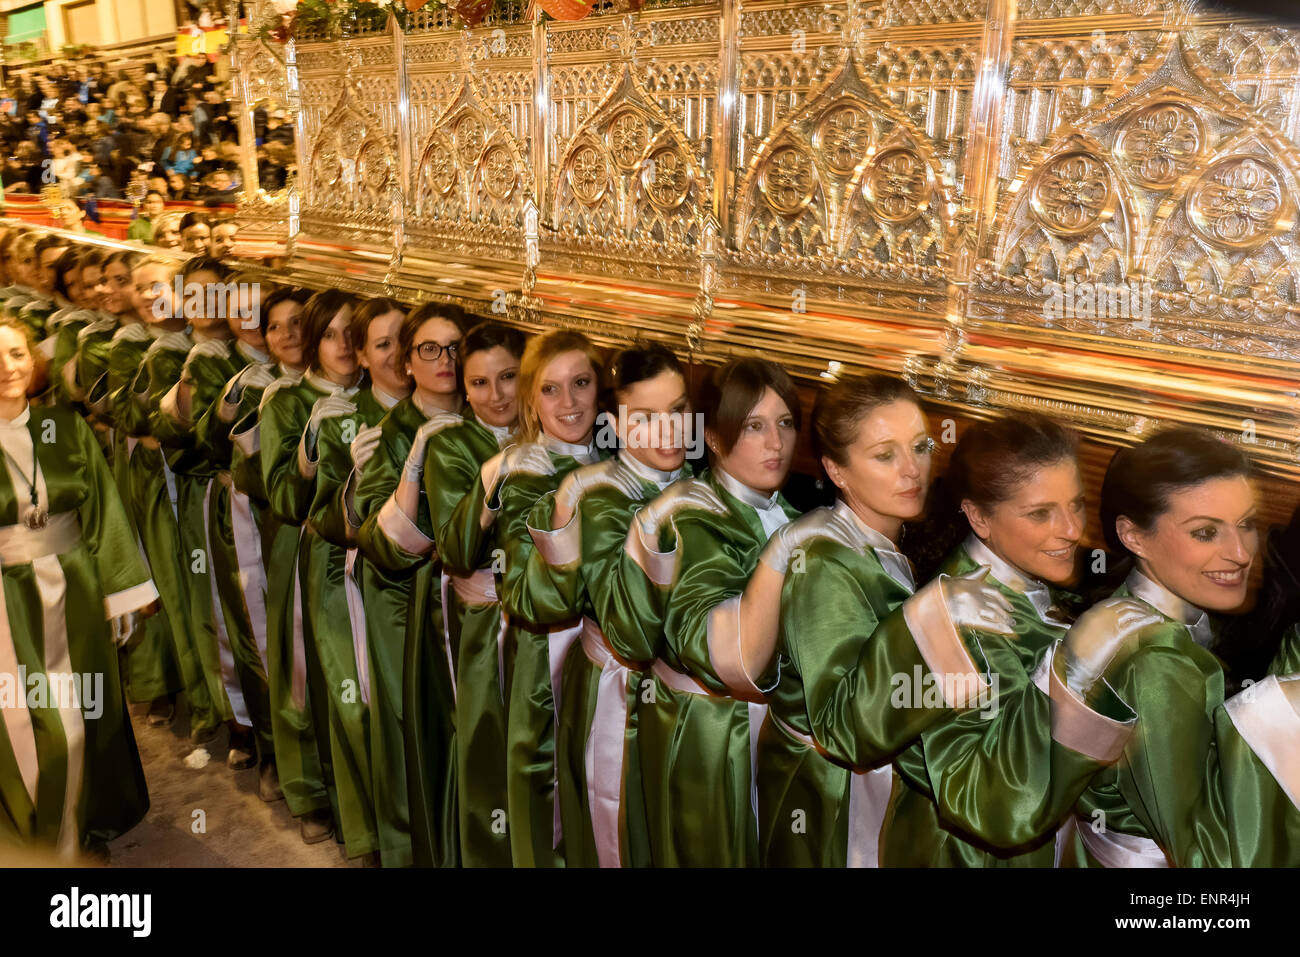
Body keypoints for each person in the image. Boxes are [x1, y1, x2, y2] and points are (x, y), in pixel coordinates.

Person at [875, 412, 1133, 866]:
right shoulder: (965, 627)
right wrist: (1080, 661)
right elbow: (995, 804)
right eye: (1041, 513)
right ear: (978, 516)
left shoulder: (1016, 576)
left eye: (1075, 504)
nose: (1072, 530)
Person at [1060, 428, 1300, 867]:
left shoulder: (1130, 617)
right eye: (1206, 532)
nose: (1241, 553)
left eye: (1245, 525)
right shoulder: (1157, 663)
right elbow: (1208, 855)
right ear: (1134, 536)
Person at [621, 357, 801, 867]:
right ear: (716, 440)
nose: (775, 443)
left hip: (766, 728)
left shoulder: (788, 513)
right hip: (711, 728)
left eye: (785, 423)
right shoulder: (691, 516)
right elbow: (724, 654)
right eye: (753, 426)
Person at [524, 343, 690, 867]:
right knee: (616, 829)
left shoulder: (698, 484)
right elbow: (630, 630)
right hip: (620, 691)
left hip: (680, 700)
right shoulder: (596, 494)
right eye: (644, 418)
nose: (668, 431)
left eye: (679, 412)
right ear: (614, 426)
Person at [0, 316, 158, 860]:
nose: (7, 368)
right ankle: (40, 841)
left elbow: (104, 512)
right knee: (30, 725)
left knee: (84, 718)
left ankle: (80, 825)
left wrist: (122, 593)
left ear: (34, 361)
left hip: (77, 594)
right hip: (6, 604)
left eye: (17, 354)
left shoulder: (62, 428)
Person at [353, 302, 468, 867]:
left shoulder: (483, 416)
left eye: (454, 348)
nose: (444, 360)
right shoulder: (392, 433)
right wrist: (414, 468)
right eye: (429, 349)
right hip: (405, 597)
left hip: (470, 603)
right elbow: (378, 541)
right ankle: (413, 850)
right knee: (413, 727)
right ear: (407, 361)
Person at [485, 330, 606, 867]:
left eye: (581, 383)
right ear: (531, 400)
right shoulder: (525, 470)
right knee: (544, 783)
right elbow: (524, 591)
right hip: (546, 650)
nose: (570, 403)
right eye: (551, 390)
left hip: (609, 658)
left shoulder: (626, 455)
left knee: (597, 787)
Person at [257, 289, 358, 848]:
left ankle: (363, 803)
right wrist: (309, 449)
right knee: (304, 672)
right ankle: (308, 790)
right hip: (309, 552)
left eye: (352, 333)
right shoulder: (289, 403)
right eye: (330, 334)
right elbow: (281, 496)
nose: (343, 345)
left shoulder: (377, 399)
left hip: (374, 559)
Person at [424, 321, 523, 868]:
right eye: (480, 383)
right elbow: (456, 548)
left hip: (554, 624)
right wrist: (493, 481)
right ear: (464, 389)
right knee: (487, 743)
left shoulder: (550, 433)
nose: (497, 395)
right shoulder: (452, 444)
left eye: (508, 377)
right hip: (486, 622)